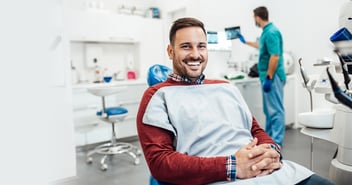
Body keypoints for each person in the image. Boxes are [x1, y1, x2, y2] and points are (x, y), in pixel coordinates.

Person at [137, 17, 333, 185]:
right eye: (186, 46)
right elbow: (160, 163)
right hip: (217, 178)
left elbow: (255, 130)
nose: (195, 54)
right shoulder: (158, 96)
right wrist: (232, 166)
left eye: (201, 46)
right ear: (170, 51)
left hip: (273, 172)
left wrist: (272, 151)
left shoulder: (226, 87)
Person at [238, 6, 286, 147]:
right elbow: (260, 45)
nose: (254, 20)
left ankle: (276, 142)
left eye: (254, 17)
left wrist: (269, 77)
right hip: (267, 76)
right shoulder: (266, 31)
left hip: (273, 76)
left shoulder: (271, 32)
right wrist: (244, 41)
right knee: (269, 110)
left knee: (276, 110)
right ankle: (270, 138)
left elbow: (275, 56)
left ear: (258, 17)